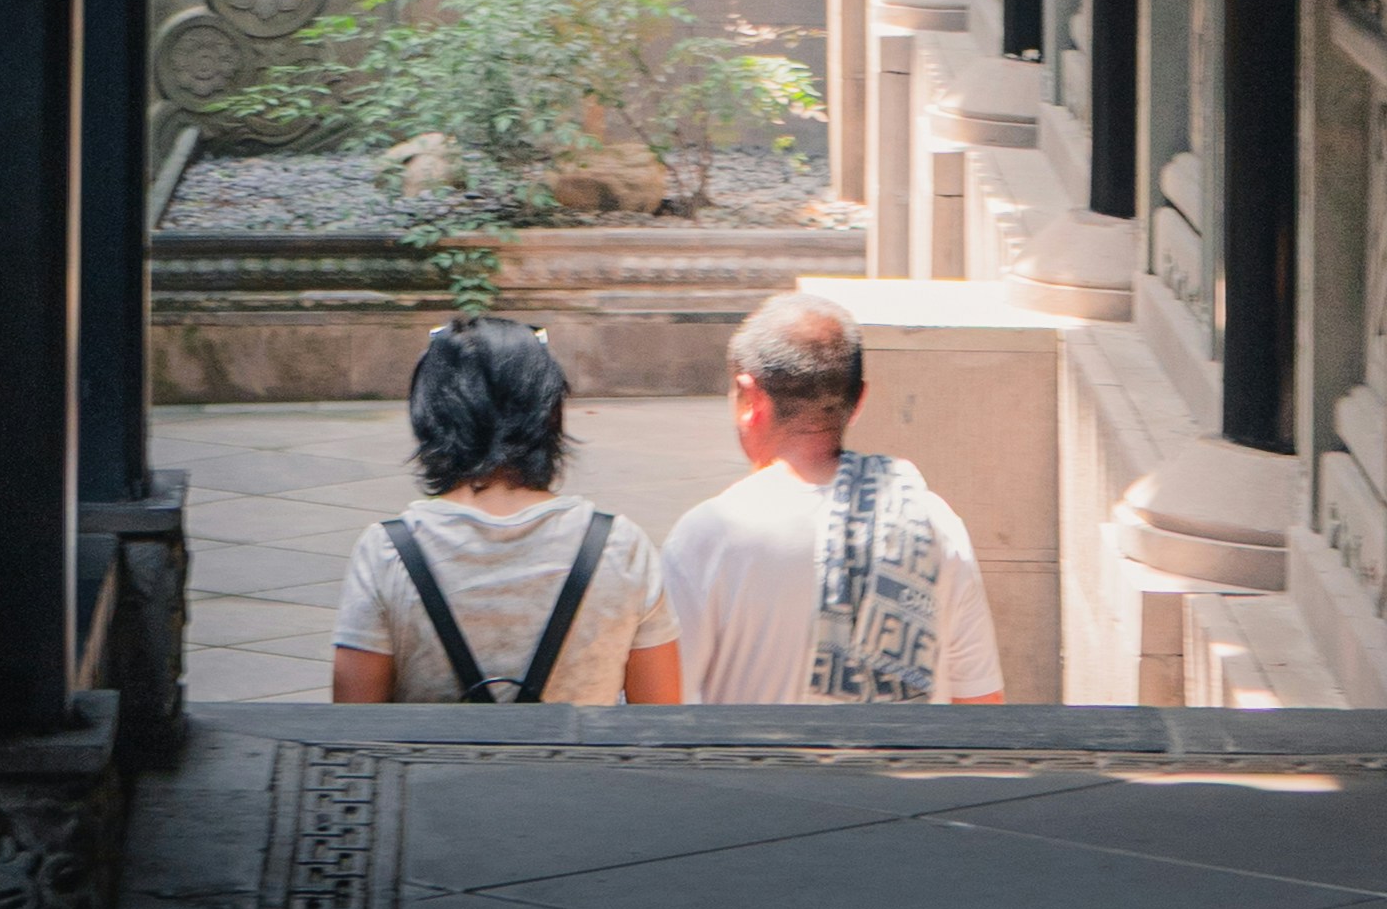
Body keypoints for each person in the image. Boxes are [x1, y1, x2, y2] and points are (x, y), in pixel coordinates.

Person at [659, 291, 1006, 706]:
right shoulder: (933, 521)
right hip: (905, 770)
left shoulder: (708, 537)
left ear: (750, 398)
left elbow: (662, 712)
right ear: (858, 400)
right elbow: (981, 705)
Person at [330, 319, 683, 707]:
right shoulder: (619, 545)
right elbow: (658, 723)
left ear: (431, 415)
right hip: (578, 769)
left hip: (435, 769)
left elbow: (354, 725)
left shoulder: (388, 551)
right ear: (550, 413)